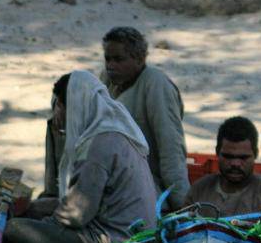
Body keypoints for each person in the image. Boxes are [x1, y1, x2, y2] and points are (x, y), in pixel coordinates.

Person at [3, 71, 157, 243]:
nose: (56, 112)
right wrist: (34, 208)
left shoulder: (97, 145)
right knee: (30, 216)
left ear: (70, 106)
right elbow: (87, 199)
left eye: (58, 105)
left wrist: (44, 224)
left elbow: (75, 214)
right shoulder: (119, 133)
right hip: (135, 236)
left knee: (13, 230)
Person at [43, 26, 189, 211]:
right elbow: (79, 104)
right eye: (108, 59)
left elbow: (171, 151)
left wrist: (183, 207)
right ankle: (53, 191)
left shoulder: (155, 84)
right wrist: (58, 105)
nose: (111, 65)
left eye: (119, 59)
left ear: (139, 59)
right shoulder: (107, 80)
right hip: (104, 175)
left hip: (143, 184)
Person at [184, 116, 261, 225]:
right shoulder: (199, 190)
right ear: (217, 152)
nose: (235, 163)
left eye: (243, 157)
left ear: (256, 154)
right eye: (228, 156)